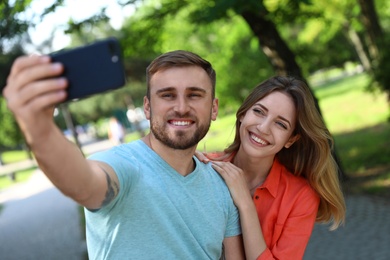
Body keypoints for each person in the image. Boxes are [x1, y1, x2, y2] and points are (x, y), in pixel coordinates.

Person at [3, 50, 244, 259]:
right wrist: (39, 128)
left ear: (214, 108)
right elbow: (84, 184)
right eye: (167, 95)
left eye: (194, 95)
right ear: (147, 107)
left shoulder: (221, 187)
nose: (181, 107)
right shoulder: (123, 165)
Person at [197, 76, 346, 259]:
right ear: (243, 113)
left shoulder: (301, 196)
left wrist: (245, 203)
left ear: (291, 139)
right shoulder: (204, 168)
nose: (263, 128)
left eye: (281, 124)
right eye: (259, 111)